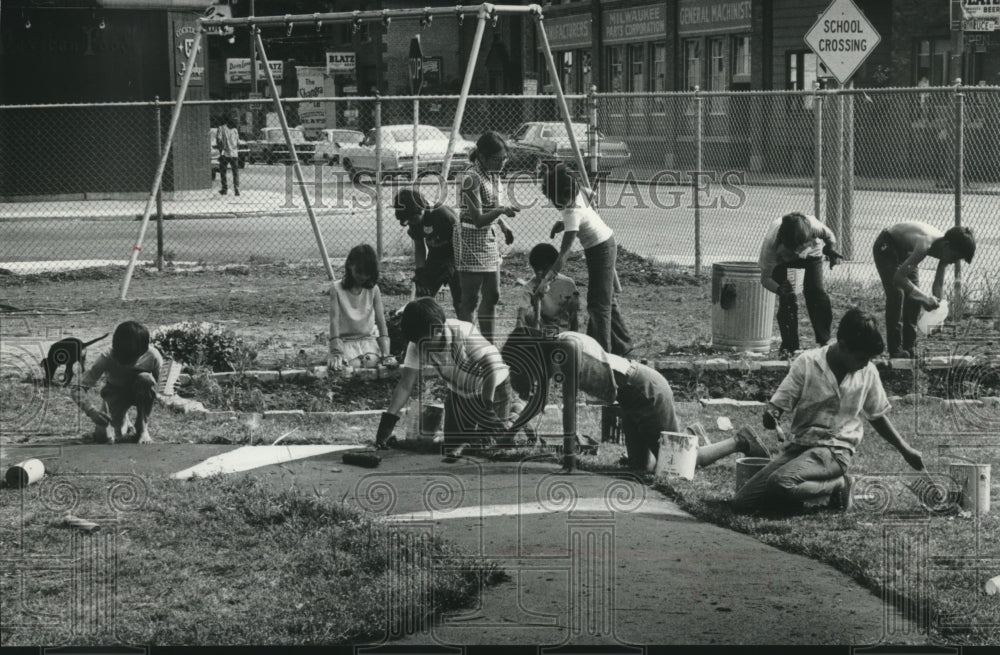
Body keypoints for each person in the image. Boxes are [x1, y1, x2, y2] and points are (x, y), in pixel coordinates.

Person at [732, 309, 925, 513]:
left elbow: (877, 416)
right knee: (743, 503)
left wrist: (905, 449)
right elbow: (777, 407)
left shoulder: (868, 372)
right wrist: (772, 415)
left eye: (869, 359)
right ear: (842, 346)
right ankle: (816, 491)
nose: (865, 364)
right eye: (861, 358)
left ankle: (838, 485)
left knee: (780, 483)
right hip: (801, 446)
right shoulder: (808, 363)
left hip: (836, 451)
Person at [501, 327, 771, 473]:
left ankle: (740, 440)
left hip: (645, 391)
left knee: (678, 468)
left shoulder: (565, 348)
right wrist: (509, 432)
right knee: (641, 468)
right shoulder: (554, 352)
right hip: (630, 400)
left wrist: (570, 457)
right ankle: (685, 434)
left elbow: (570, 404)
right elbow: (538, 402)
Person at [374, 298, 513, 452]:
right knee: (453, 446)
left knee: (492, 446)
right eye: (416, 342)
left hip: (493, 386)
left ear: (438, 329)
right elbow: (406, 384)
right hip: (460, 390)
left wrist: (487, 408)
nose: (420, 346)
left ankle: (514, 418)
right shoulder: (417, 343)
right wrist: (387, 425)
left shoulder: (464, 332)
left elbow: (491, 370)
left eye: (424, 341)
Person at [540, 163, 632, 356]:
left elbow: (563, 255)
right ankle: (623, 346)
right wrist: (563, 222)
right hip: (602, 244)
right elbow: (591, 196)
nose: (555, 204)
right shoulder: (576, 192)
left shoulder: (572, 212)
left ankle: (601, 355)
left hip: (602, 249)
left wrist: (546, 280)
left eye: (555, 200)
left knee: (598, 304)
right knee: (606, 299)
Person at [873, 222, 975, 358]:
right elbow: (898, 278)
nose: (953, 262)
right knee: (897, 294)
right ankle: (895, 349)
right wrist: (924, 298)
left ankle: (909, 347)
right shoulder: (924, 245)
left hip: (906, 250)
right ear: (946, 246)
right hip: (887, 244)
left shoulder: (947, 248)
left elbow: (938, 284)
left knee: (914, 298)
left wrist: (938, 313)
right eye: (955, 257)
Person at [456, 131, 520, 344]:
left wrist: (504, 225)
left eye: (504, 159)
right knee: (470, 300)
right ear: (482, 157)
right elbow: (477, 219)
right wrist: (501, 212)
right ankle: (469, 345)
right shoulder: (470, 178)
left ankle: (489, 345)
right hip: (470, 237)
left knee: (493, 294)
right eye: (497, 159)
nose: (502, 163)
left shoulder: (493, 173)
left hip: (489, 237)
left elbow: (490, 208)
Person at [758, 212, 843, 357]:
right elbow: (765, 278)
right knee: (787, 298)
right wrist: (779, 289)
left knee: (816, 292)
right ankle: (790, 347)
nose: (797, 254)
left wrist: (829, 248)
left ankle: (824, 341)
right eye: (794, 250)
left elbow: (830, 237)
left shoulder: (815, 227)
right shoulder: (771, 245)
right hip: (782, 259)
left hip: (812, 254)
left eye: (800, 248)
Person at [70, 320, 163, 444]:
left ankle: (142, 428)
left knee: (145, 379)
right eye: (125, 359)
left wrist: (167, 393)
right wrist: (91, 412)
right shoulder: (107, 356)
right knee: (103, 437)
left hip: (140, 391)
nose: (131, 364)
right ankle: (123, 419)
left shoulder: (153, 356)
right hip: (116, 391)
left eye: (134, 358)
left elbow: (159, 388)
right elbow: (77, 387)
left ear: (144, 350)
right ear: (115, 349)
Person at [328, 244, 395, 372]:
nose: (363, 277)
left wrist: (386, 353)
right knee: (347, 366)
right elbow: (334, 320)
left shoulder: (374, 290)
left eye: (367, 273)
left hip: (367, 340)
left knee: (371, 362)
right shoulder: (336, 289)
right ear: (349, 265)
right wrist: (336, 350)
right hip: (345, 341)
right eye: (359, 272)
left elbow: (381, 321)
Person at [393, 188, 461, 314]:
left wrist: (454, 266)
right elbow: (419, 246)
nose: (410, 223)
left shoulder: (442, 214)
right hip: (436, 256)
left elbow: (463, 242)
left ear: (421, 209)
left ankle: (466, 327)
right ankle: (425, 326)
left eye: (411, 219)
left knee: (461, 300)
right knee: (423, 295)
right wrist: (420, 271)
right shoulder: (412, 218)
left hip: (457, 256)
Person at [517, 243, 580, 333]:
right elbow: (521, 316)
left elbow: (574, 317)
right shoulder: (529, 286)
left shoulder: (568, 284)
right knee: (529, 315)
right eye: (536, 269)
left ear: (555, 267)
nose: (539, 273)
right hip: (541, 332)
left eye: (544, 269)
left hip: (564, 333)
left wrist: (575, 336)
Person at [216, 116, 240, 196]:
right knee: (235, 172)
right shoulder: (235, 130)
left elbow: (218, 140)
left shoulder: (221, 128)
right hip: (234, 153)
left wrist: (221, 149)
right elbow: (238, 142)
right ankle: (236, 188)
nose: (236, 124)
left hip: (225, 153)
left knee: (223, 171)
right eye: (235, 122)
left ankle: (224, 188)